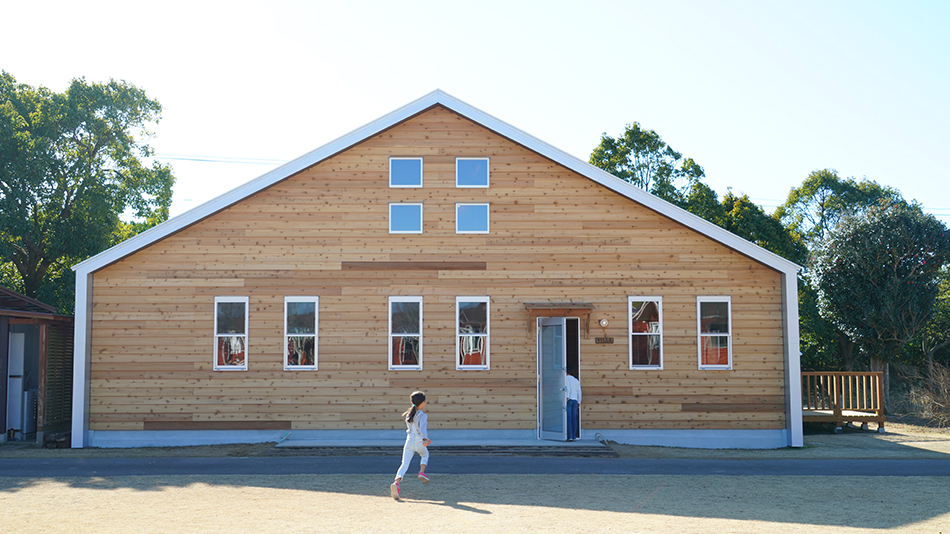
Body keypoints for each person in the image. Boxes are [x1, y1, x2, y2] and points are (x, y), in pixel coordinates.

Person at [391, 391, 431, 500]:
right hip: (419, 441)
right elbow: (422, 429)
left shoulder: (409, 414)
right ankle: (421, 473)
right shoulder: (422, 415)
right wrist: (425, 439)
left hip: (409, 441)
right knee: (425, 455)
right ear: (422, 403)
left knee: (404, 463)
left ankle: (396, 482)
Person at [565, 371, 581, 441]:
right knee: (574, 418)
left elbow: (567, 388)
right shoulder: (576, 380)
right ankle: (574, 436)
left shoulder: (566, 378)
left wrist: (567, 397)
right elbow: (579, 391)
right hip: (575, 400)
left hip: (569, 400)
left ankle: (570, 436)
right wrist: (579, 401)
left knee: (568, 418)